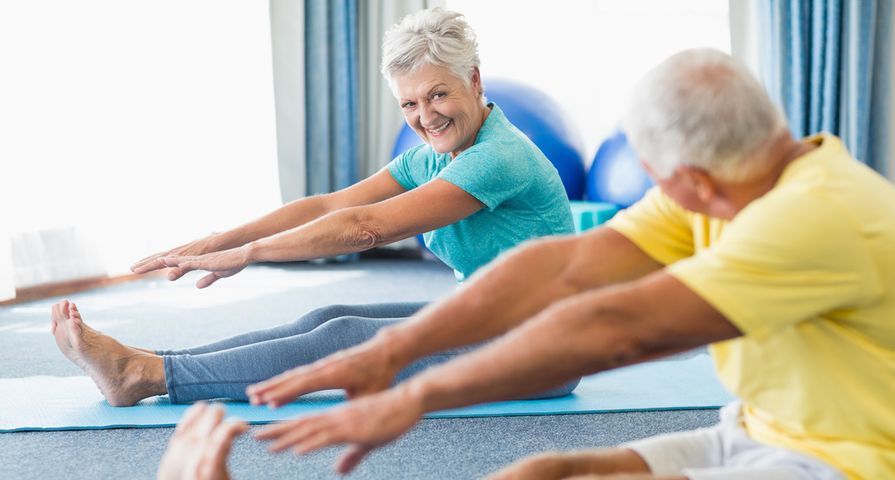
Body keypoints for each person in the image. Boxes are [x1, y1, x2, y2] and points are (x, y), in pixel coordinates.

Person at [240, 49, 895, 479]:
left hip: (849, 463)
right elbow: (562, 268)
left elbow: (615, 327)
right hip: (757, 431)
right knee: (538, 474)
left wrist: (416, 393)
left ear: (686, 176)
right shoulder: (733, 179)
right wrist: (398, 349)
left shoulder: (814, 215)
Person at [50, 7, 577, 408]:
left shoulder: (498, 158)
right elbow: (330, 203)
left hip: (540, 346)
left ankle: (145, 377)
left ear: (475, 81)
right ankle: (153, 365)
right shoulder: (436, 157)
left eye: (438, 95)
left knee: (345, 339)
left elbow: (366, 227)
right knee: (330, 316)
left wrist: (252, 254)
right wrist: (219, 240)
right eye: (410, 104)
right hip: (485, 317)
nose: (425, 116)